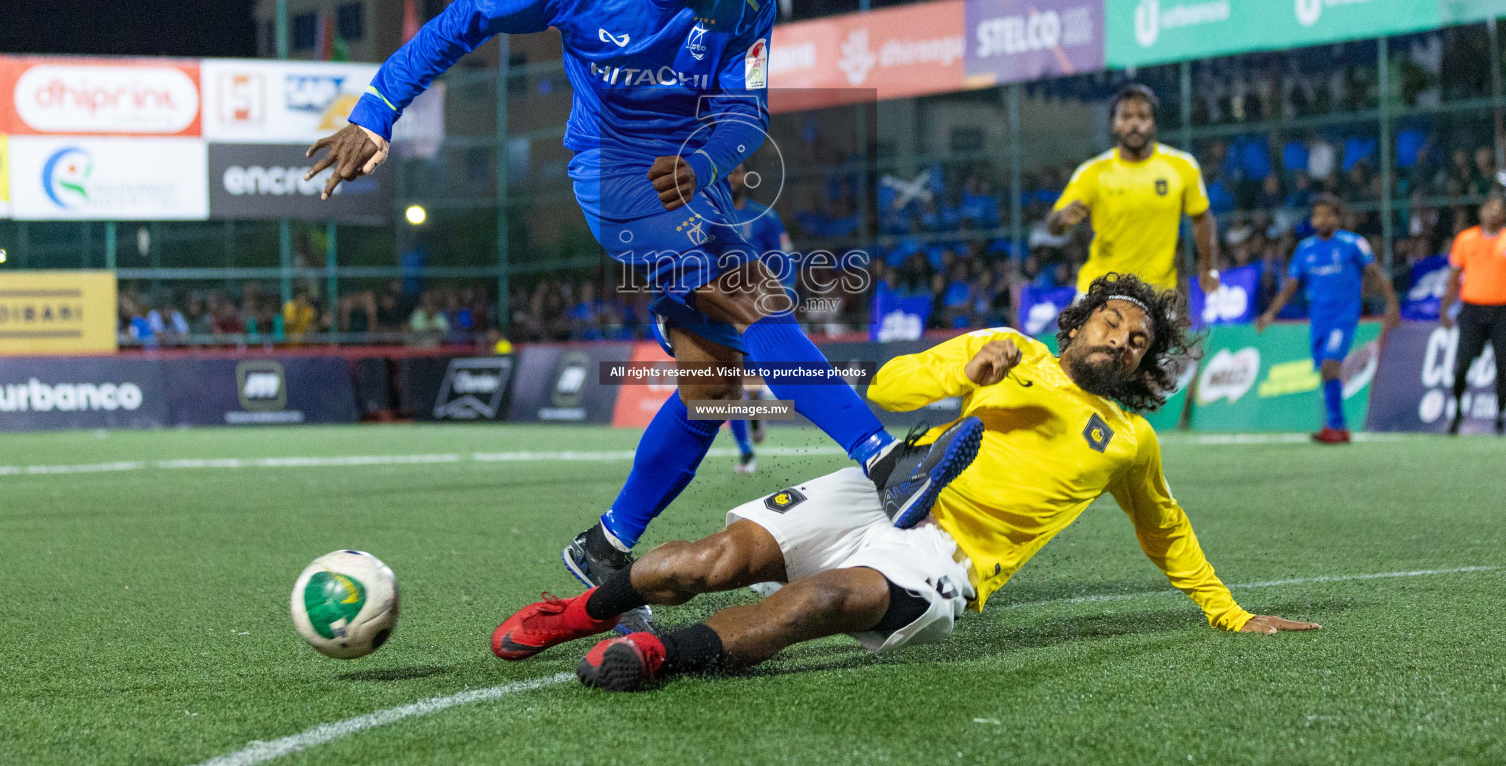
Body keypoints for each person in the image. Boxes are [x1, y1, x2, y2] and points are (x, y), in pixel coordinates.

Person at [304, 0, 980, 623]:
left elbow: (746, 109)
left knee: (713, 388)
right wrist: (375, 111)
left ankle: (605, 547)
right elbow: (470, 16)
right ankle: (887, 462)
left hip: (694, 176)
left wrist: (707, 158)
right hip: (612, 175)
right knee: (752, 303)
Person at [491, 273, 1318, 689]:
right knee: (704, 563)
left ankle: (654, 655)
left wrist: (1229, 612)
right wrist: (972, 364)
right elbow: (883, 391)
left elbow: (1165, 532)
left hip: (947, 561)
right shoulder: (1008, 351)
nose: (1123, 342)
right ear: (1076, 323)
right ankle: (579, 610)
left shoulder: (1129, 443)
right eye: (1112, 322)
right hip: (887, 486)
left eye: (1138, 341)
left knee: (819, 603)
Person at [1046, 84, 1220, 297]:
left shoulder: (1182, 166)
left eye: (1142, 116)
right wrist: (1062, 219)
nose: (1134, 124)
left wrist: (1209, 266)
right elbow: (1052, 225)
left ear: (1153, 123)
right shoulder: (1092, 172)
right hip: (1101, 289)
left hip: (1157, 293)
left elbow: (1201, 218)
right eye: (1126, 117)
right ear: (1114, 125)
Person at [1255, 195, 1399, 443]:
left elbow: (1377, 273)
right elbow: (1291, 286)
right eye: (1316, 216)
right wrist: (1270, 313)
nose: (1319, 220)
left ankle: (1336, 425)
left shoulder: (1353, 243)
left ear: (1337, 218)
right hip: (1319, 318)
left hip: (1344, 316)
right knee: (1325, 370)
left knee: (1331, 364)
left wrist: (1392, 305)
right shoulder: (1305, 249)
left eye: (1325, 215)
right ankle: (1336, 427)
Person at [725, 163, 795, 473]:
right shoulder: (707, 217)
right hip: (721, 308)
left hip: (756, 309)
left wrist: (787, 292)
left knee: (751, 386)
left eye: (739, 172)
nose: (734, 177)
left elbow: (784, 257)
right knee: (729, 385)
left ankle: (755, 412)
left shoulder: (765, 217)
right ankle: (746, 453)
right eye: (729, 172)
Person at [1439, 191, 1506, 436]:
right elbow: (1454, 278)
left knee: (1504, 364)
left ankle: (1500, 413)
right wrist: (1445, 309)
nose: (1495, 212)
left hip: (1502, 311)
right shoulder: (1465, 240)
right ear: (1481, 211)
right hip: (1472, 311)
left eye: (1500, 208)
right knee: (1463, 363)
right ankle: (1457, 411)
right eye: (1490, 207)